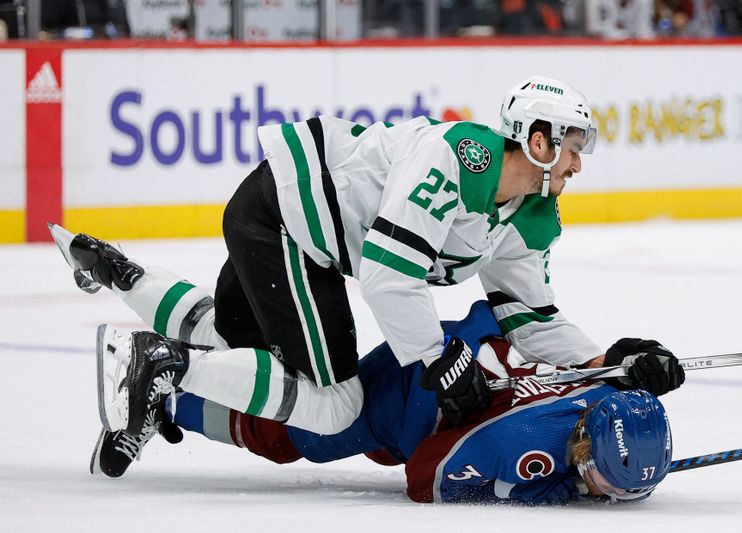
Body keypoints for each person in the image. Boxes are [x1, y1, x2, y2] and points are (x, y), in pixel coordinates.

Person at [50, 74, 685, 440]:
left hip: (274, 214)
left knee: (236, 342)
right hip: (286, 224)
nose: (579, 162)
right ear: (537, 140)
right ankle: (160, 364)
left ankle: (122, 276)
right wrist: (435, 358)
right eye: (573, 146)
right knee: (334, 404)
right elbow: (387, 275)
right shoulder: (457, 158)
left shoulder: (525, 216)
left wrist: (606, 362)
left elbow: (530, 319)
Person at [89, 298, 673, 506]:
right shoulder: (521, 449)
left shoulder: (599, 401)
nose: (609, 497)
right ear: (584, 445)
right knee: (293, 435)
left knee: (278, 359)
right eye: (607, 482)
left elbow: (586, 370)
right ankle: (169, 399)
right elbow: (424, 478)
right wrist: (559, 488)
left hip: (444, 354)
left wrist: (630, 362)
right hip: (416, 395)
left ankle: (135, 284)